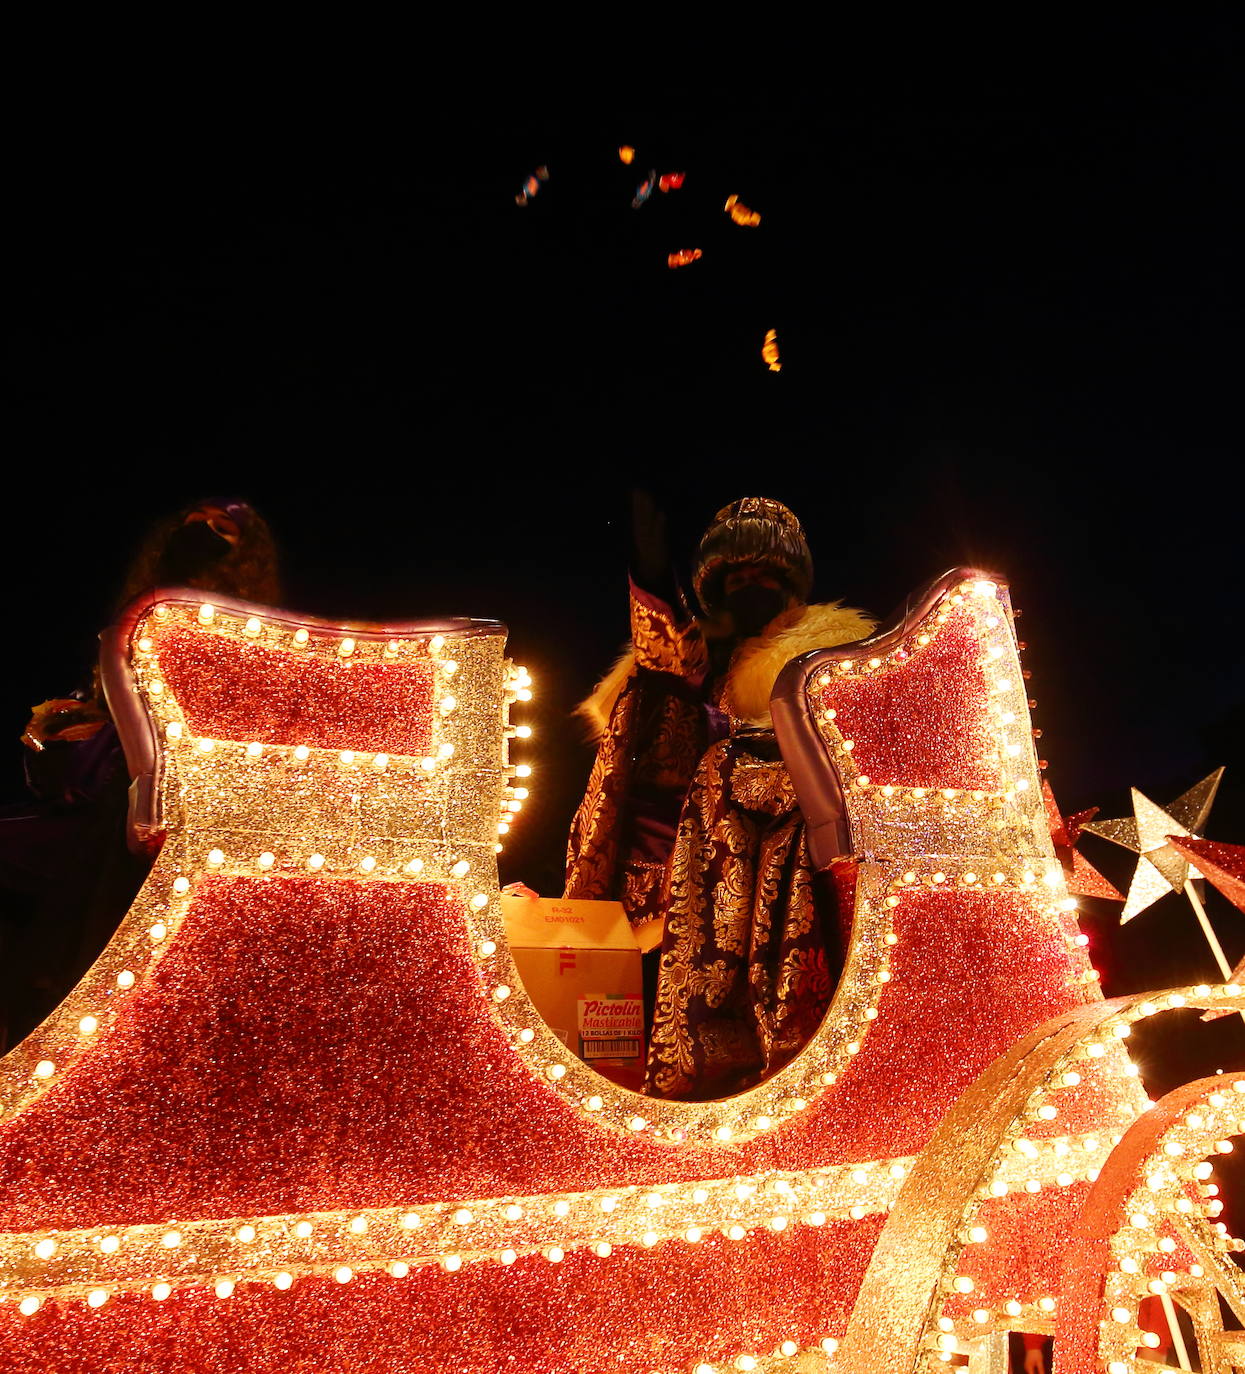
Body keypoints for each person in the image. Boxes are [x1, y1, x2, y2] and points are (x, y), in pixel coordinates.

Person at [565, 495, 874, 1099]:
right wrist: (654, 580)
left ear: (792, 584)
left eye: (764, 573)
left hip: (782, 858)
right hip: (664, 876)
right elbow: (666, 660)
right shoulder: (689, 662)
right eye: (733, 575)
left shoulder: (831, 655)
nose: (748, 586)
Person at [0, 498, 281, 1049]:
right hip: (117, 781)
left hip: (201, 782)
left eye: (222, 528)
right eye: (194, 524)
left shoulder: (251, 630)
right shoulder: (138, 617)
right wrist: (65, 725)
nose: (204, 531)